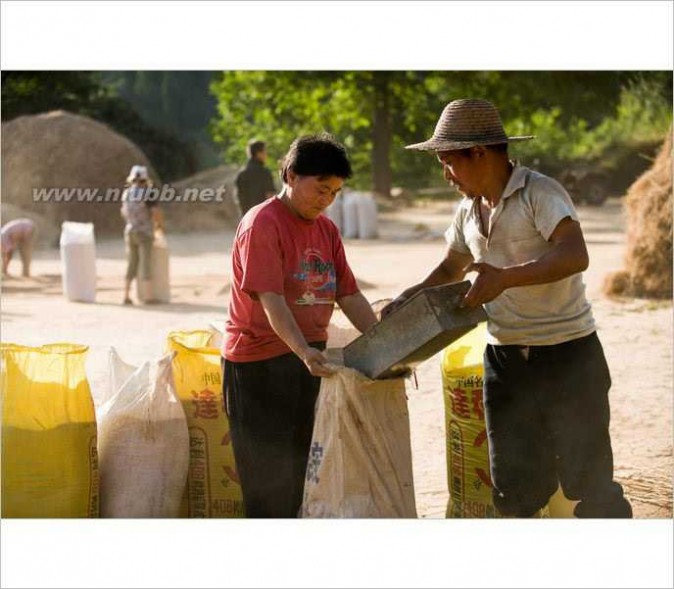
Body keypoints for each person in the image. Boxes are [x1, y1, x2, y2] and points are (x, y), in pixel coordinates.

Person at [384, 98, 632, 518]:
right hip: (504, 362)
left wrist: (504, 277)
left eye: (448, 162)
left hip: (569, 355)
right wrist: (411, 297)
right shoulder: (468, 210)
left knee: (590, 484)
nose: (445, 175)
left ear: (478, 153)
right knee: (514, 490)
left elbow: (574, 254)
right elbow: (450, 266)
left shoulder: (541, 192)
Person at [222, 134, 378, 518]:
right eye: (321, 188)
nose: (327, 200)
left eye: (336, 192)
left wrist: (384, 342)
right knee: (268, 485)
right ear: (290, 175)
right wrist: (303, 350)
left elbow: (350, 296)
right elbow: (270, 298)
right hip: (258, 365)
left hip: (308, 363)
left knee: (301, 477)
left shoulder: (327, 231)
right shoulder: (263, 222)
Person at [120, 165, 163, 305]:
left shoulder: (127, 193)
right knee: (146, 263)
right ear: (145, 179)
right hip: (144, 232)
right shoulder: (148, 193)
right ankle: (148, 297)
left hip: (129, 230)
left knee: (131, 263)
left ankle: (126, 295)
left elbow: (123, 212)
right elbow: (156, 212)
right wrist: (158, 225)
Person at [235, 139, 276, 217]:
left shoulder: (242, 173)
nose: (266, 154)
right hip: (263, 217)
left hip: (247, 218)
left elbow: (240, 199)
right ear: (258, 153)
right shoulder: (264, 172)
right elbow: (270, 196)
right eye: (265, 151)